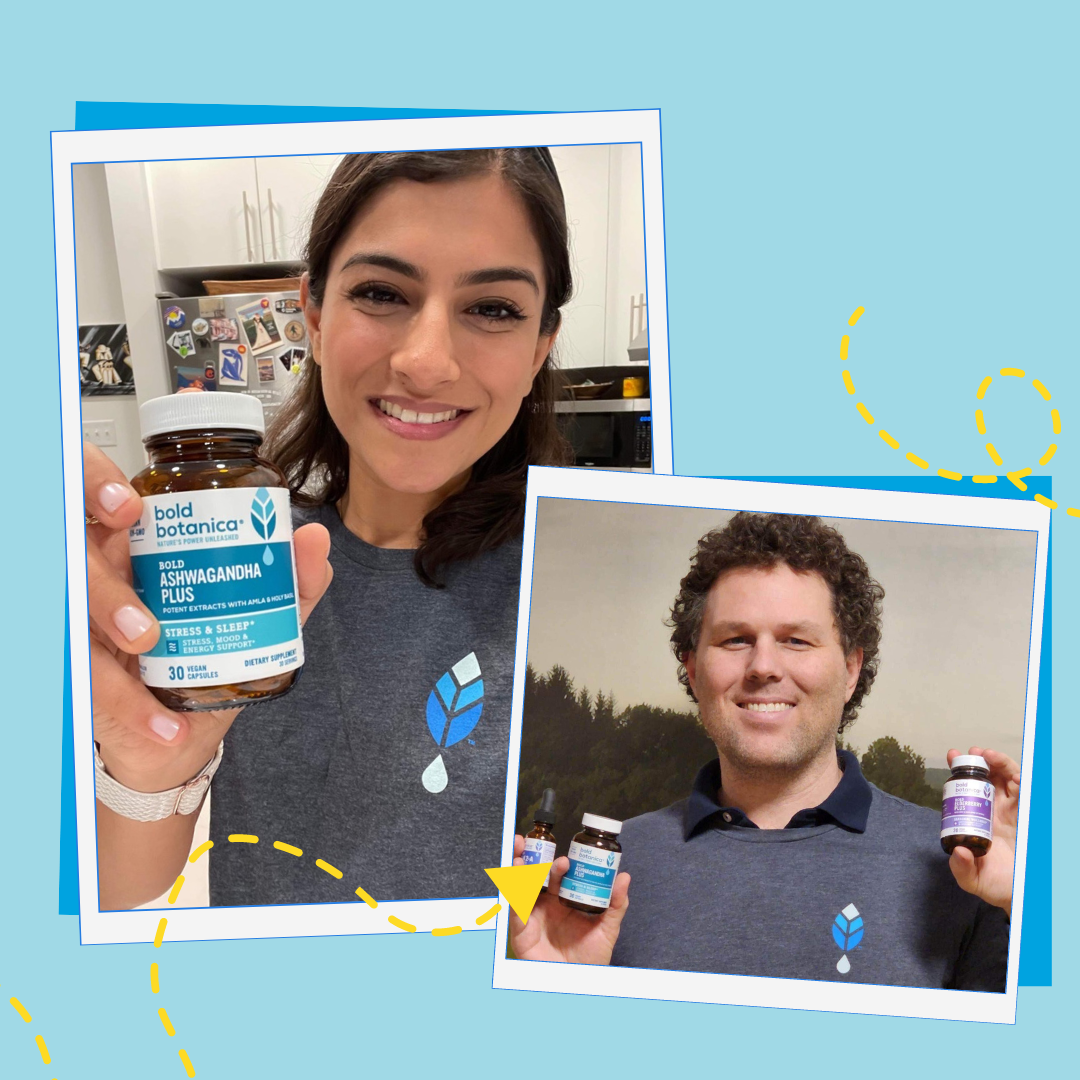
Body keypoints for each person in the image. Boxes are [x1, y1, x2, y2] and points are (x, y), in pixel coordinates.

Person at [85, 147, 573, 910]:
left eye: (493, 308)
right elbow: (119, 891)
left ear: (542, 343)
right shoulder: (237, 565)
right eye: (381, 292)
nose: (426, 362)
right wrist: (150, 766)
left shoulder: (574, 585)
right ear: (311, 315)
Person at [511, 513, 1018, 990]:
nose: (763, 667)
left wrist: (1033, 903)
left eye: (796, 640)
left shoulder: (962, 869)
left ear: (850, 670)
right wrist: (558, 998)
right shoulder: (608, 872)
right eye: (735, 639)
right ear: (692, 669)